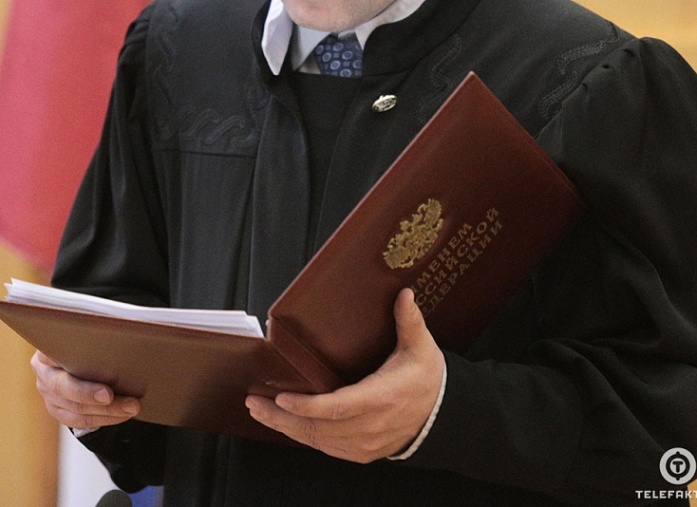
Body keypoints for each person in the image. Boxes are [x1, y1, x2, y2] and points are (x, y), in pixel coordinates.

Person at [30, 0, 697, 504]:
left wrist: (445, 412)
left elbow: (668, 435)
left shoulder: (585, 77)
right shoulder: (175, 45)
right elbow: (115, 309)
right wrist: (90, 393)